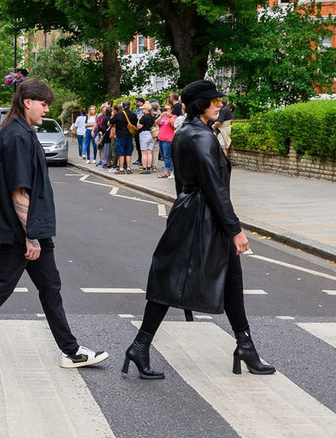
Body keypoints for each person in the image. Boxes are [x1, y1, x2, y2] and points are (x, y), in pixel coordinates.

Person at [0, 79, 109, 375]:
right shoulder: (17, 136)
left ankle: (71, 350)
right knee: (0, 289)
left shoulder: (22, 131)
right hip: (24, 231)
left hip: (34, 228)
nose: (47, 109)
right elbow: (19, 192)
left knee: (50, 286)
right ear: (28, 101)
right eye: (44, 103)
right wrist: (31, 237)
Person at [122, 80, 276, 380]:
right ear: (201, 104)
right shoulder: (201, 137)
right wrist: (235, 230)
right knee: (172, 280)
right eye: (214, 100)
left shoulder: (188, 132)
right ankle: (140, 345)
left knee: (230, 280)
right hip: (202, 217)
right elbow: (215, 188)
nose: (220, 104)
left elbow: (186, 185)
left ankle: (245, 346)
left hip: (192, 212)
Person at [109, 101, 137, 174]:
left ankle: (121, 169)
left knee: (121, 152)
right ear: (129, 106)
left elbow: (111, 121)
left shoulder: (119, 114)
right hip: (129, 135)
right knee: (128, 152)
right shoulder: (133, 114)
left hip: (120, 135)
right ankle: (128, 168)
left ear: (123, 106)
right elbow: (136, 123)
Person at [157, 104, 177, 179]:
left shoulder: (173, 116)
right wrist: (161, 116)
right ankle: (169, 169)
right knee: (163, 155)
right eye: (165, 109)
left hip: (168, 139)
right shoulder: (162, 117)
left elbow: (174, 125)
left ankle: (167, 171)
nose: (166, 110)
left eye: (168, 109)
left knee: (167, 155)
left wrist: (169, 116)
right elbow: (156, 123)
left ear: (171, 110)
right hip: (161, 138)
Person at [136, 103, 156, 174]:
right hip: (151, 134)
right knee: (149, 152)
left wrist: (139, 119)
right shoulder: (152, 117)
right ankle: (149, 167)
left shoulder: (144, 117)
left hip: (144, 134)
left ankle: (144, 167)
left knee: (144, 152)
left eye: (143, 109)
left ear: (146, 109)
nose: (142, 110)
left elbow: (139, 126)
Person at [132, 97, 145, 166]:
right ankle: (139, 158)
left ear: (141, 102)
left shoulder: (142, 110)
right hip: (136, 129)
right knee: (137, 145)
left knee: (141, 145)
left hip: (141, 130)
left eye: (137, 102)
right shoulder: (137, 110)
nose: (136, 103)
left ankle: (141, 159)